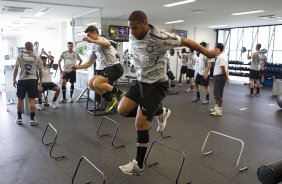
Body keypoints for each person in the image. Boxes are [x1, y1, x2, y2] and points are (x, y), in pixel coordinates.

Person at [117, 10, 217, 175]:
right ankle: (160, 112)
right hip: (141, 81)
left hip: (156, 84)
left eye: (135, 28)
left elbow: (187, 41)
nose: (132, 32)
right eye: (130, 29)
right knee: (122, 110)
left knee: (140, 124)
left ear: (144, 23)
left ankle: (138, 165)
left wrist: (208, 53)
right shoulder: (133, 34)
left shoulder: (160, 37)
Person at [72, 25, 124, 112]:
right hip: (106, 69)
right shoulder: (94, 47)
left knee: (97, 83)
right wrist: (77, 67)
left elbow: (108, 44)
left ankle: (120, 93)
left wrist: (92, 40)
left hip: (115, 67)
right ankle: (111, 100)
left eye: (89, 35)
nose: (88, 38)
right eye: (87, 36)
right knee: (91, 83)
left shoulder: (101, 39)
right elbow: (89, 63)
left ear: (95, 33)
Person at [13, 41, 43, 126]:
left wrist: (14, 79)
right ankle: (32, 120)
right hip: (33, 80)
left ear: (25, 47)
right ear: (32, 47)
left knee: (20, 99)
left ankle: (19, 119)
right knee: (32, 99)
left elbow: (16, 69)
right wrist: (40, 80)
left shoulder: (20, 55)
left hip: (22, 80)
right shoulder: (36, 57)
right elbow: (40, 70)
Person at [209, 43, 228, 116]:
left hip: (219, 77)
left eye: (215, 48)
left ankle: (219, 111)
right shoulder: (222, 55)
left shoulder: (221, 57)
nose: (214, 49)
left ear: (218, 49)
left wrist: (226, 77)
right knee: (216, 94)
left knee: (218, 95)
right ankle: (216, 108)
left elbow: (223, 69)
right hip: (218, 76)